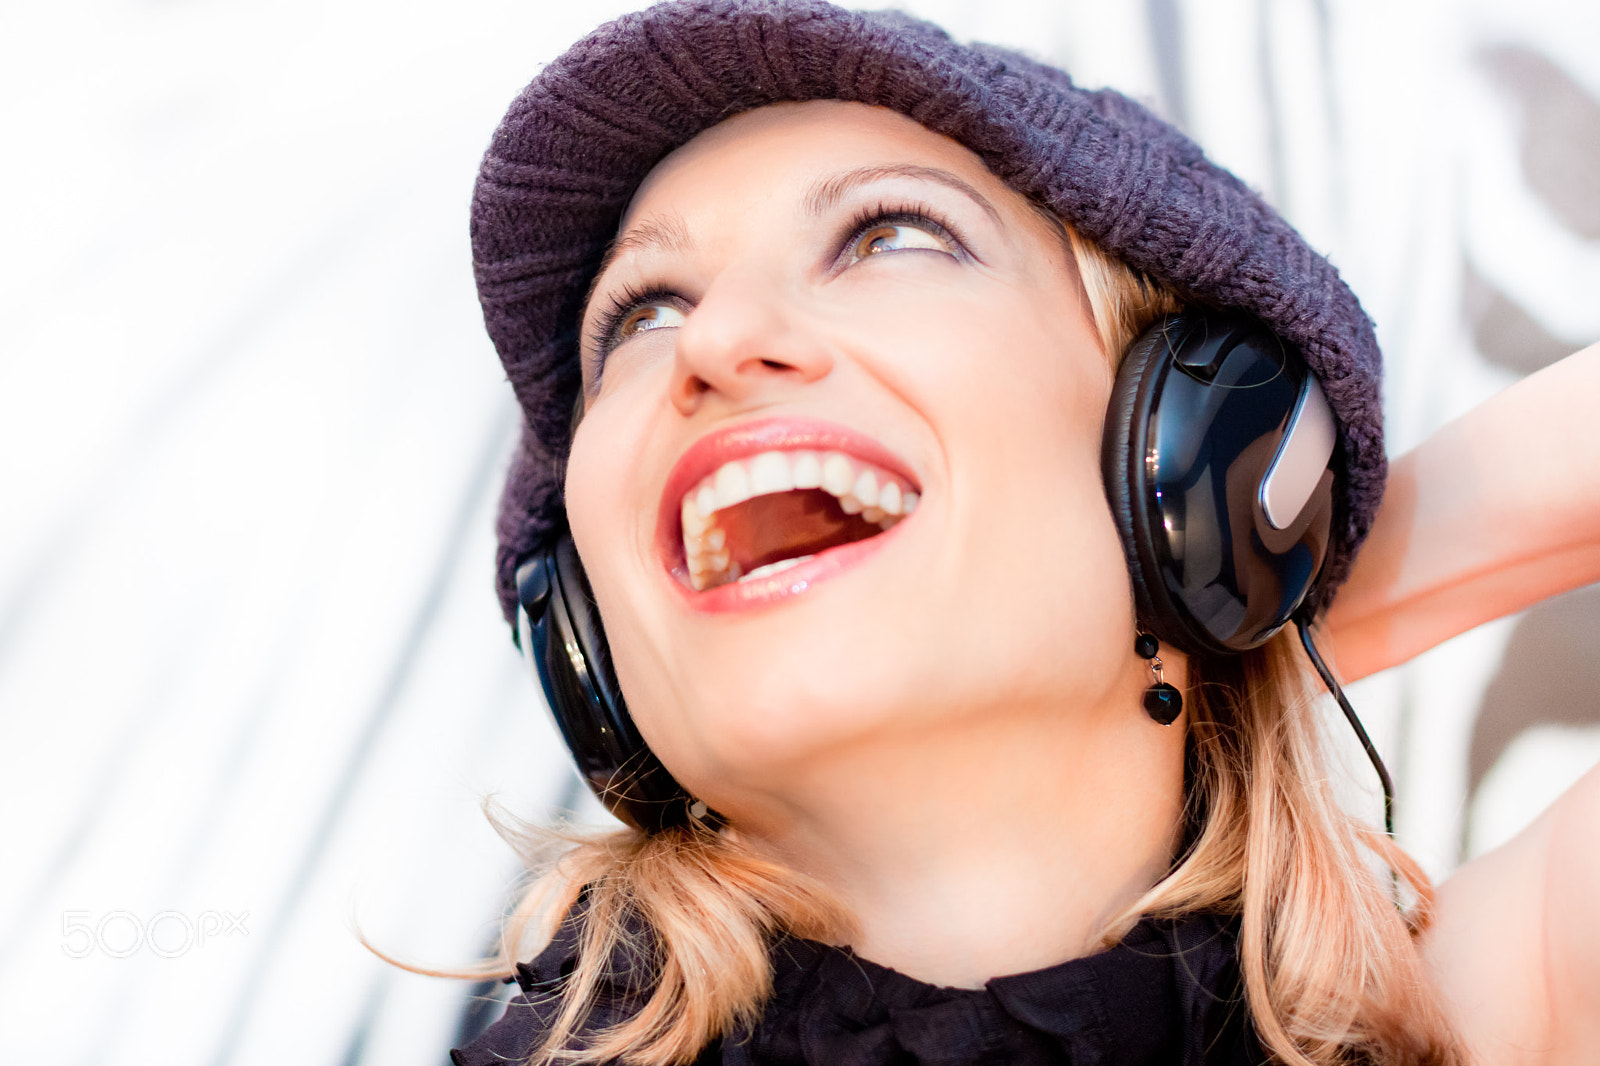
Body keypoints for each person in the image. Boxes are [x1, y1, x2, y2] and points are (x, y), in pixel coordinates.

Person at [444, 2, 1600, 1063]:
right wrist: (1227, 598)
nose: (717, 338)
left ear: (1184, 439)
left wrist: (1260, 564)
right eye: (641, 316)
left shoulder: (1490, 1005)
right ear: (587, 645)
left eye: (887, 234)